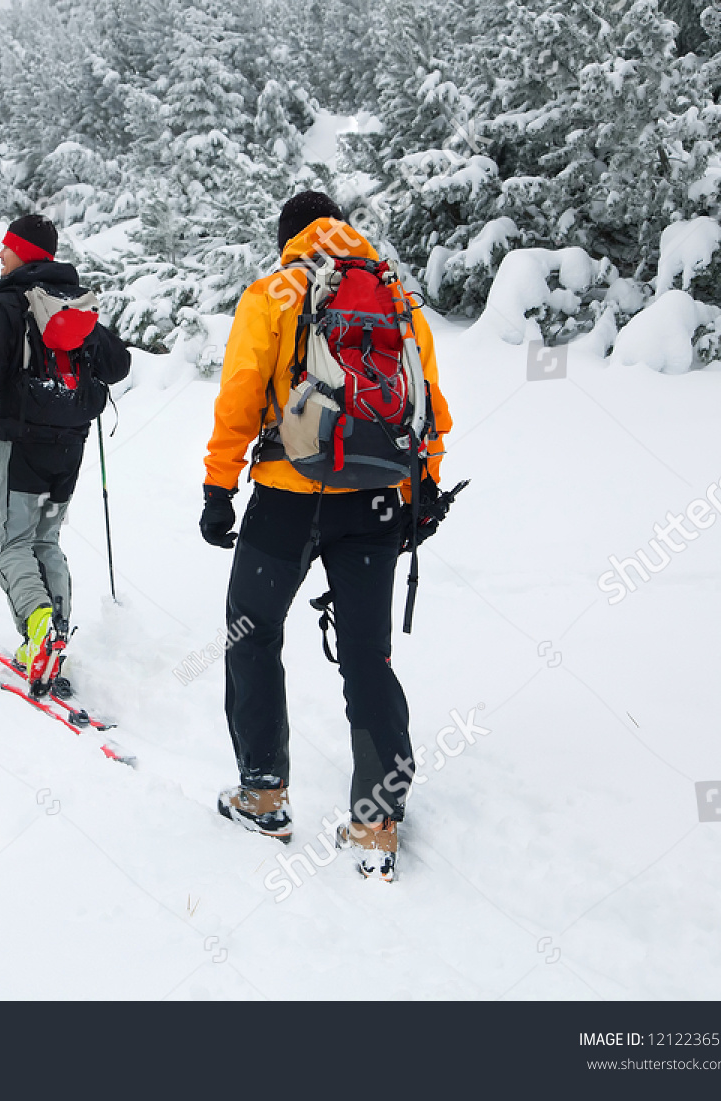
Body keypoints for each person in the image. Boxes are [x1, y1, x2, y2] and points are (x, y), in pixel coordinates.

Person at [199, 191, 453, 880]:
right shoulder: (393, 290)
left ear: (288, 236)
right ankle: (375, 822)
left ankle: (263, 792)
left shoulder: (276, 288)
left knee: (251, 635)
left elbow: (243, 392)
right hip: (372, 497)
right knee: (368, 657)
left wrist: (219, 487)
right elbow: (427, 398)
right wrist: (421, 486)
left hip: (286, 499)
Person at [0, 214, 131, 694]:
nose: (0, 254)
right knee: (46, 541)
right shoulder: (75, 304)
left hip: (22, 444)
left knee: (12, 547)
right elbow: (119, 365)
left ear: (25, 253)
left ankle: (39, 632)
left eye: (8, 247)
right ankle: (55, 638)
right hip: (72, 445)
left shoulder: (6, 306)